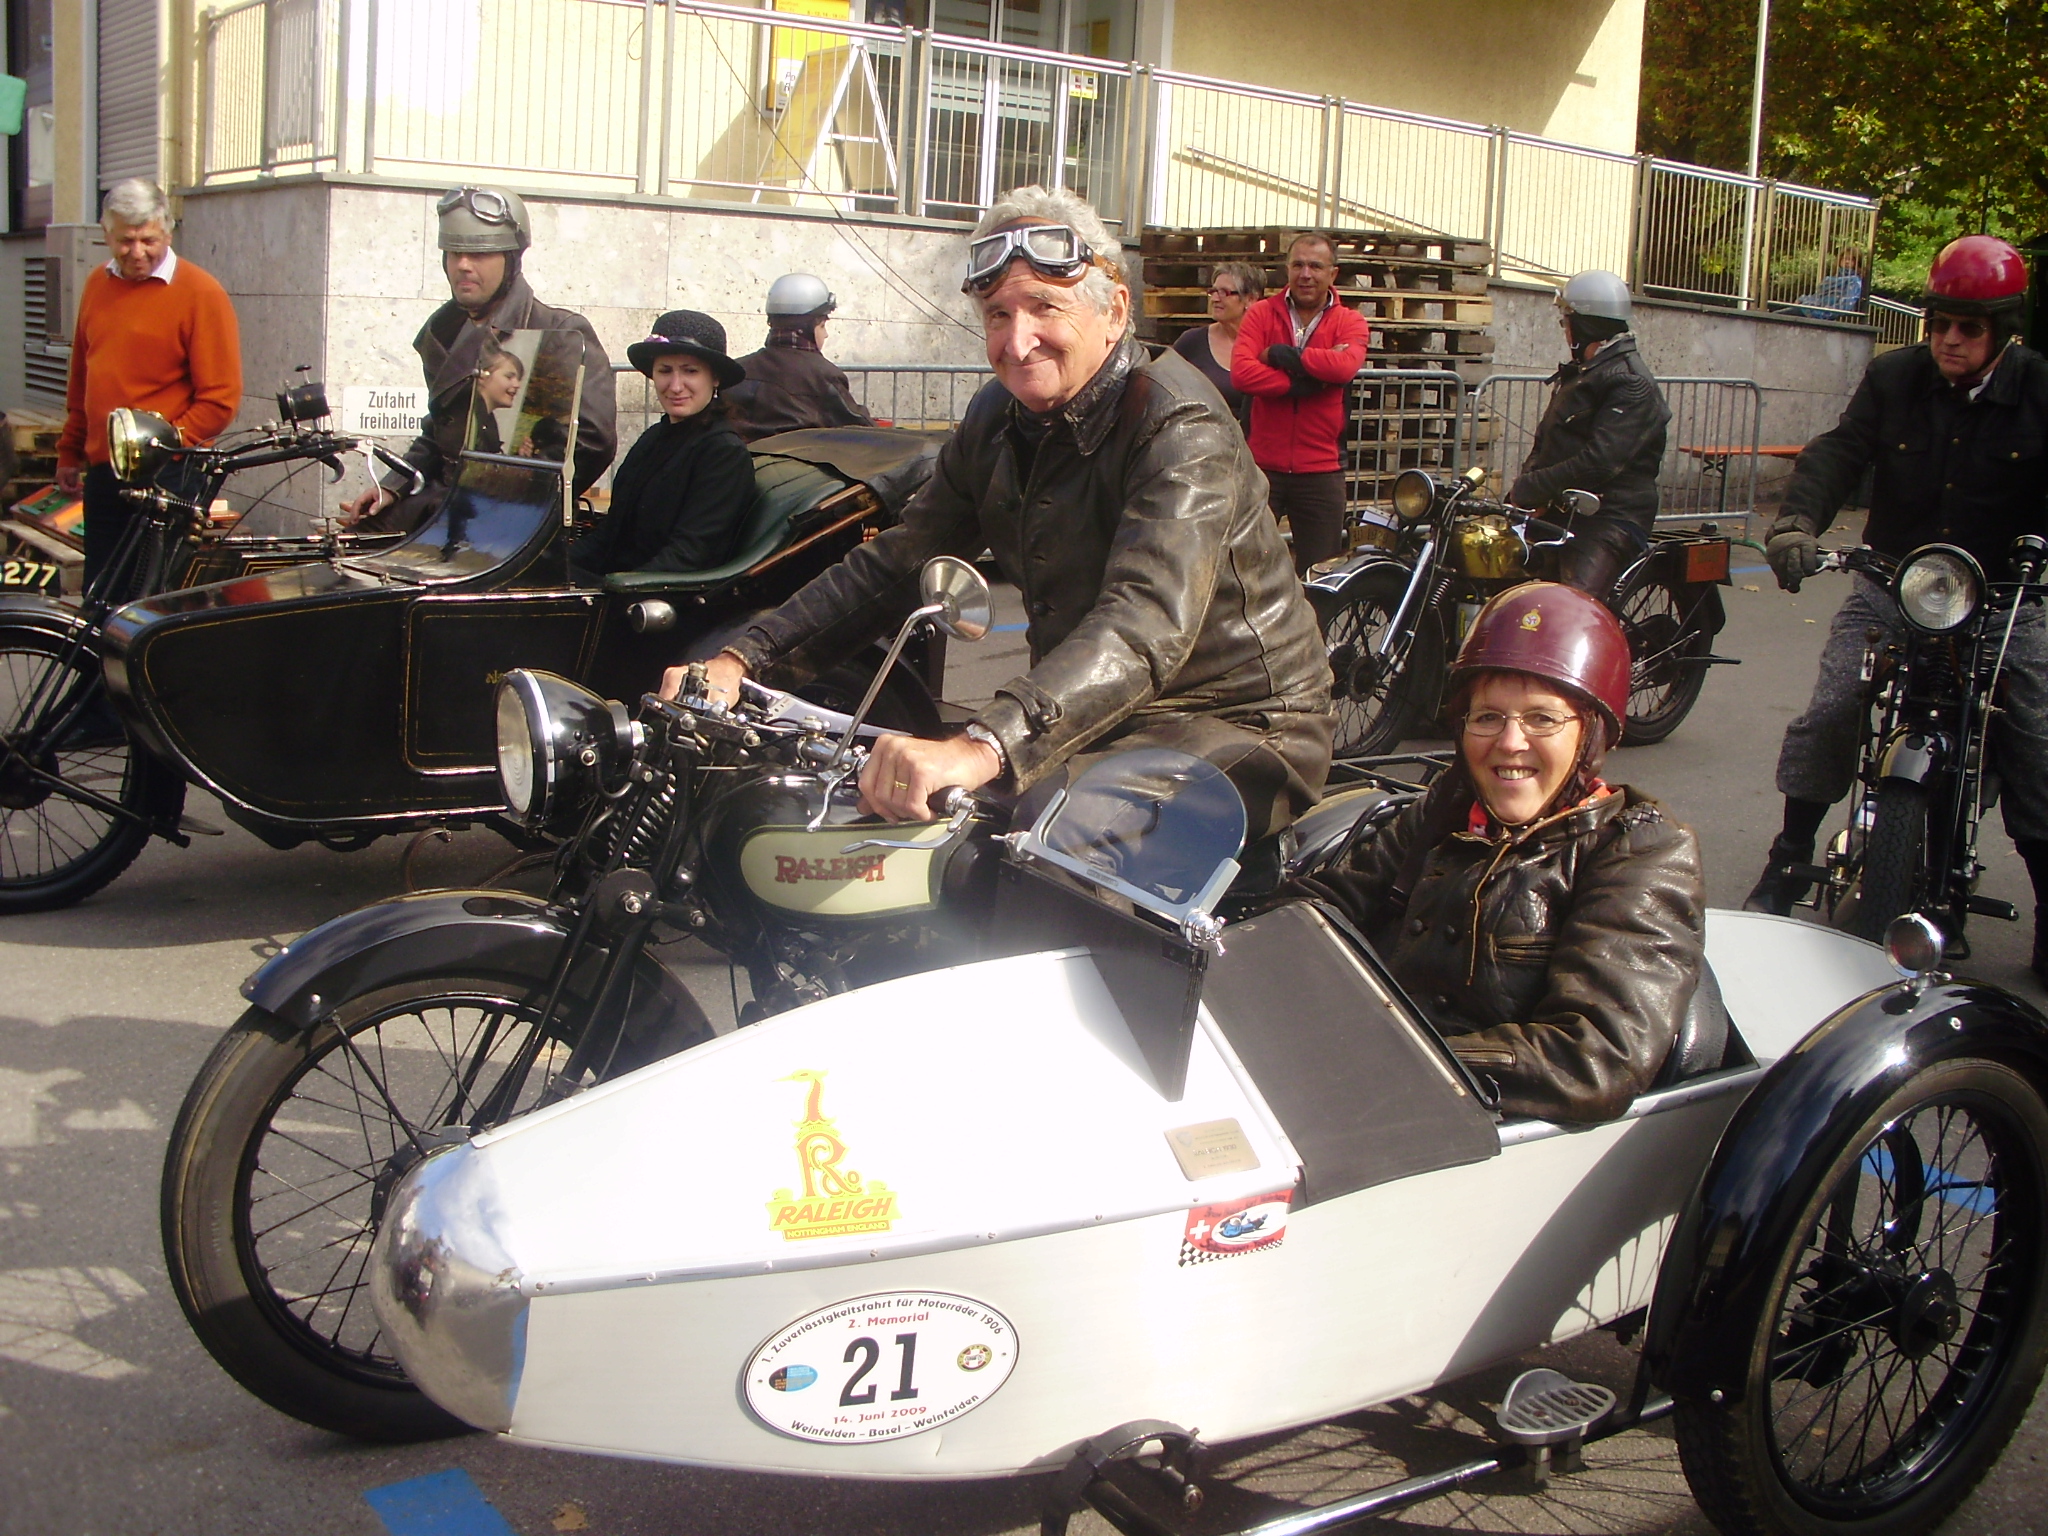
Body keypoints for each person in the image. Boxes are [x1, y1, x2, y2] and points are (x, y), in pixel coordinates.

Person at [663, 185, 1332, 840]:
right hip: (1091, 713)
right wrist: (742, 660)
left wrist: (983, 744)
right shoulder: (997, 418)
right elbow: (901, 559)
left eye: (1044, 307)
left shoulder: (1177, 422)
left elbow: (1144, 620)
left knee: (1039, 841)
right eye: (997, 316)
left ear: (1115, 310)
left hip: (1240, 724)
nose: (1018, 342)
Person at [1286, 582, 1706, 1122]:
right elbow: (1322, 910)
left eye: (1543, 718)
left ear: (1592, 735)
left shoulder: (1639, 853)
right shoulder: (1447, 807)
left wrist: (1394, 1058)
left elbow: (1594, 1058)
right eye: (1487, 717)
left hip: (1482, 1121)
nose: (1509, 743)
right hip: (1363, 1088)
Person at [1744, 235, 2048, 976]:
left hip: (2004, 596)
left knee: (2037, 737)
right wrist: (1795, 524)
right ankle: (1788, 858)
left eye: (1969, 327)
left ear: (2004, 331)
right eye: (1939, 322)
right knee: (1832, 705)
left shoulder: (2040, 388)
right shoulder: (1893, 378)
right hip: (1894, 582)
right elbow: (1840, 451)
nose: (1949, 338)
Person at [342, 186, 615, 530]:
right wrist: (394, 486)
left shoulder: (558, 332)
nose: (463, 266)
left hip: (512, 519)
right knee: (349, 545)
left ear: (511, 259)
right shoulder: (443, 332)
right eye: (454, 253)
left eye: (479, 254)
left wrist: (510, 498)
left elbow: (591, 442)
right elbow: (439, 432)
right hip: (441, 504)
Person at [55, 178, 242, 593]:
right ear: (106, 235)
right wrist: (70, 448)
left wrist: (164, 446)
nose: (136, 252)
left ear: (168, 233)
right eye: (125, 241)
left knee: (152, 599)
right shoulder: (97, 284)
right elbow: (84, 377)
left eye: (148, 240)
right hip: (105, 470)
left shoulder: (201, 293)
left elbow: (220, 399)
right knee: (100, 592)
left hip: (168, 475)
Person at [1508, 269, 1671, 600]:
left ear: (1586, 326)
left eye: (1567, 322)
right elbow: (1548, 443)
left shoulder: (1630, 383)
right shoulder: (1584, 374)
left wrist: (1533, 487)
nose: (1565, 331)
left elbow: (1599, 462)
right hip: (1563, 509)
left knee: (1571, 608)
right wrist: (1525, 493)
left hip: (1610, 517)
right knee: (1498, 573)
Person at [568, 311, 756, 582]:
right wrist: (552, 567)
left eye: (690, 371)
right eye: (665, 371)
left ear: (714, 378)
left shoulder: (723, 453)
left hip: (656, 595)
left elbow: (689, 555)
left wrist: (617, 587)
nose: (675, 386)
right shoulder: (654, 438)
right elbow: (610, 535)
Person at [1231, 233, 1369, 575]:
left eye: (1316, 266)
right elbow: (1243, 374)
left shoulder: (1350, 321)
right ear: (1287, 269)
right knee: (1244, 572)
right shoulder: (1261, 314)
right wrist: (1303, 384)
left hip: (1321, 472)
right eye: (1298, 265)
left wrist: (1280, 354)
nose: (1306, 274)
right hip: (1262, 468)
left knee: (1319, 577)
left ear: (1333, 273)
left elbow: (1344, 367)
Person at [722, 273, 875, 443]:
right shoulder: (823, 375)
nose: (826, 334)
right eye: (822, 326)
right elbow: (861, 427)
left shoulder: (738, 369)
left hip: (737, 457)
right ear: (804, 328)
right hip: (793, 457)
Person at [1171, 261, 1263, 437]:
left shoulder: (1267, 345)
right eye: (1213, 291)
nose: (1215, 299)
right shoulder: (1191, 342)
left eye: (1224, 292)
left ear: (1250, 299)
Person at [1796, 248, 1867, 320]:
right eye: (1844, 258)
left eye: (1851, 260)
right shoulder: (1829, 279)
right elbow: (1817, 297)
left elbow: (1846, 304)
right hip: (1814, 307)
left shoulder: (1854, 281)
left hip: (1825, 313)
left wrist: (1824, 312)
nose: (1847, 262)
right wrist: (1803, 299)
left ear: (1857, 263)